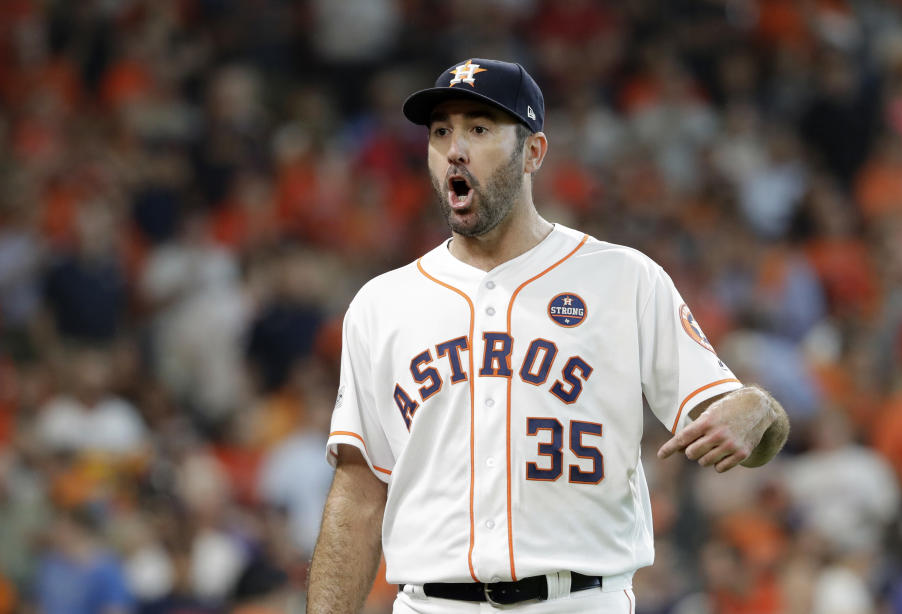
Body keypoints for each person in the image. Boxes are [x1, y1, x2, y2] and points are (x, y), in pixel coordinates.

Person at [307, 58, 790, 613]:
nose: (455, 148)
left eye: (479, 129)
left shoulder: (623, 279)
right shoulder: (382, 303)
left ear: (533, 152)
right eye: (441, 132)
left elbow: (745, 424)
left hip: (580, 600)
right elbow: (359, 493)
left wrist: (755, 410)